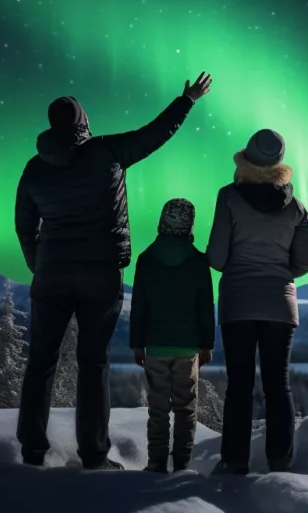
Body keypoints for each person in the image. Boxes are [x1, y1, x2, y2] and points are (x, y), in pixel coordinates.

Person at [14, 72, 212, 471]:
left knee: (41, 362)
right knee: (93, 362)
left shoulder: (34, 168)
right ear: (83, 122)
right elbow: (154, 134)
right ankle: (93, 454)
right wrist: (186, 100)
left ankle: (33, 449)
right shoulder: (107, 152)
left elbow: (24, 224)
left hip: (51, 275)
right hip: (99, 274)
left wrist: (40, 263)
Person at [206, 129, 308, 475]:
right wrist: (281, 272)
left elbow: (217, 257)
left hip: (238, 304)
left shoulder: (228, 197)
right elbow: (305, 262)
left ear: (247, 158)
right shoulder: (296, 208)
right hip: (280, 307)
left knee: (239, 385)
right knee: (277, 385)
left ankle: (234, 461)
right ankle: (280, 460)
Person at [129, 198, 216, 474]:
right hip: (187, 347)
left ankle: (156, 462)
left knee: (157, 409)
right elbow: (205, 306)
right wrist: (206, 344)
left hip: (155, 345)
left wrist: (137, 343)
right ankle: (182, 463)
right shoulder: (199, 261)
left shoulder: (146, 260)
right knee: (185, 409)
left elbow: (139, 306)